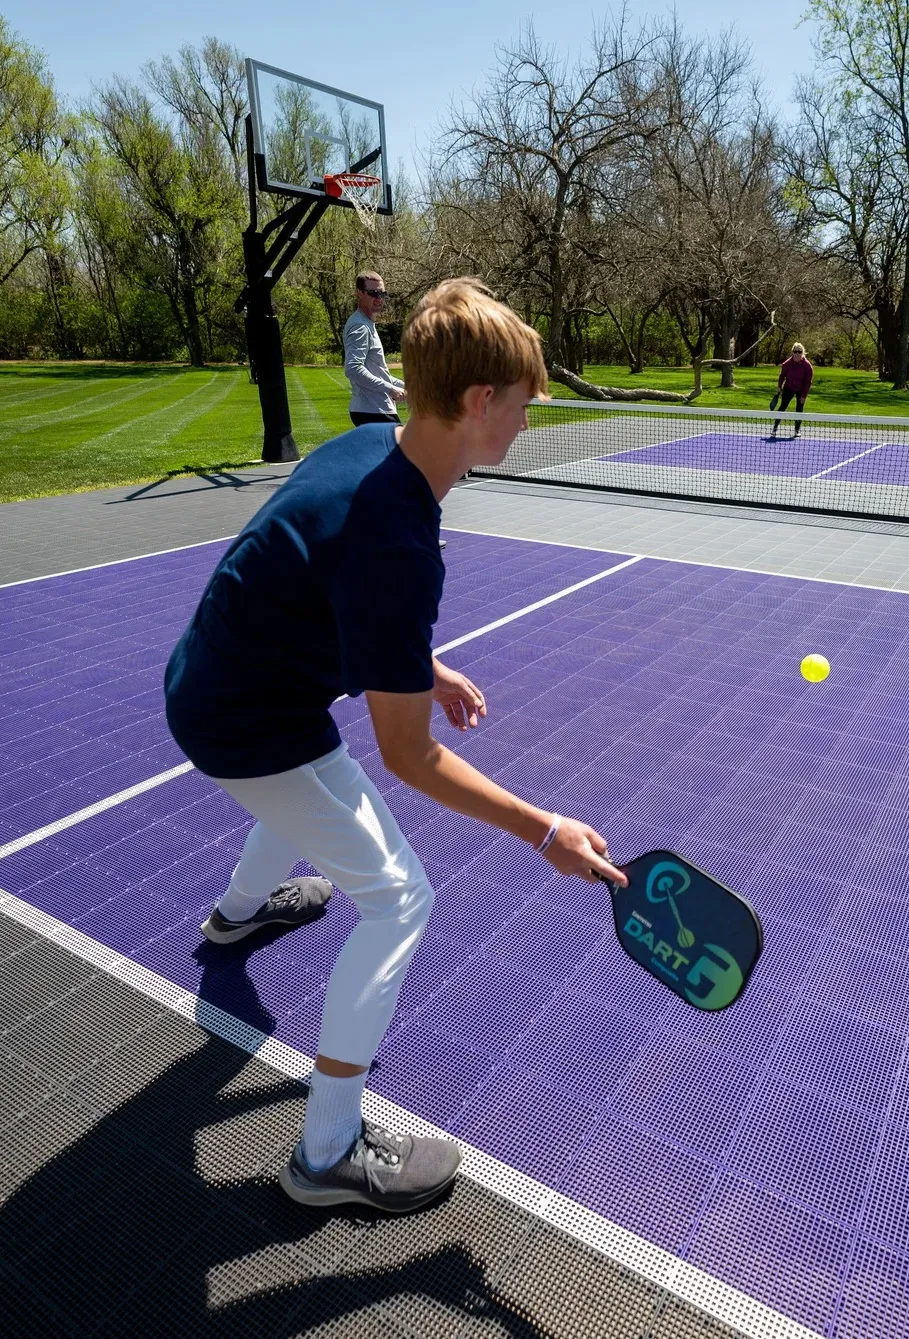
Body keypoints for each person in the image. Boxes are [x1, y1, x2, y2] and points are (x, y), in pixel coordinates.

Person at [165, 278, 626, 1214]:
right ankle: (328, 1153)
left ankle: (238, 916)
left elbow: (332, 584)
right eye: (524, 399)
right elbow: (409, 757)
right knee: (400, 896)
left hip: (220, 681)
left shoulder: (372, 444)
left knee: (314, 781)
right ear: (476, 402)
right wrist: (545, 831)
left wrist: (417, 662)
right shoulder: (400, 542)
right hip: (244, 718)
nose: (530, 417)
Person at [343, 272, 406, 426]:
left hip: (375, 410)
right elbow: (353, 368)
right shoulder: (360, 326)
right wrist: (390, 389)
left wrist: (406, 387)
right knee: (404, 449)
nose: (379, 298)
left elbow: (378, 372)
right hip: (372, 411)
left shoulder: (366, 324)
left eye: (382, 293)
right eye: (373, 293)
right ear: (359, 293)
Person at [772, 342, 813, 438]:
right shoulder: (787, 364)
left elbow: (808, 382)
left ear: (802, 352)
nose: (797, 354)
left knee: (799, 409)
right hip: (789, 387)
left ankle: (797, 429)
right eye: (795, 351)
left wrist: (804, 396)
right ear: (792, 352)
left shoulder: (807, 365)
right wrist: (779, 387)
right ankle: (775, 428)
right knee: (782, 407)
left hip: (801, 389)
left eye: (799, 352)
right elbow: (782, 376)